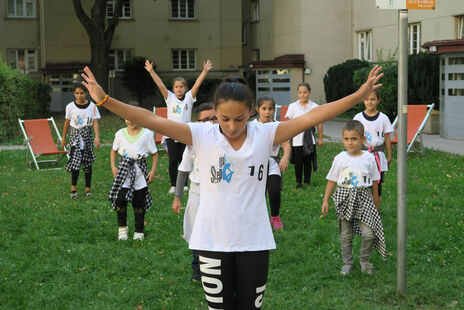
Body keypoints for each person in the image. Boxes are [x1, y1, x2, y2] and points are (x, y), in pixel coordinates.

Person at [81, 64, 383, 309]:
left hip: (254, 241)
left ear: (251, 111)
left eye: (240, 118)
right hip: (212, 242)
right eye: (225, 118)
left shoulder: (265, 134)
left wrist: (357, 96)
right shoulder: (202, 134)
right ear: (215, 111)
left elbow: (316, 115)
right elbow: (149, 118)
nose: (232, 125)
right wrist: (105, 100)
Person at [321, 120, 386, 276]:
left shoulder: (369, 158)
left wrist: (376, 200)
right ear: (343, 139)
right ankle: (347, 262)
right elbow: (332, 179)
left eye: (354, 139)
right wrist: (325, 200)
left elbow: (375, 180)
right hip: (345, 198)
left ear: (362, 139)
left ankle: (364, 260)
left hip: (364, 199)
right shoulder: (340, 158)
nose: (350, 143)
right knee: (346, 234)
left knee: (369, 234)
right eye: (347, 139)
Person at [144, 59, 213, 194]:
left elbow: (197, 85)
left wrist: (204, 71)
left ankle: (184, 184)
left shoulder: (189, 97)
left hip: (186, 133)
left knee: (185, 158)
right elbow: (160, 85)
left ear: (185, 88)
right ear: (173, 88)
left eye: (181, 86)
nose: (179, 89)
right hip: (171, 133)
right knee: (173, 160)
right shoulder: (169, 97)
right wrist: (151, 71)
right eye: (176, 87)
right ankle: (173, 185)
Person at [171, 103, 218, 281]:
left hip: (218, 194)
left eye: (214, 118)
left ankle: (217, 266)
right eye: (206, 119)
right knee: (197, 231)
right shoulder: (193, 144)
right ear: (197, 123)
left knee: (216, 230)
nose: (211, 123)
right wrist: (177, 198)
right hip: (197, 193)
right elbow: (183, 170)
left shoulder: (227, 142)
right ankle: (198, 269)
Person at [109, 119, 158, 241]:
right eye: (127, 118)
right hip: (124, 171)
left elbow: (154, 153)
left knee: (139, 200)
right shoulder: (119, 134)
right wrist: (113, 166)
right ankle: (122, 227)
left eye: (132, 118)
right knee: (120, 199)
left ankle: (139, 230)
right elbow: (114, 151)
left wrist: (152, 171)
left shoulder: (147, 134)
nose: (129, 121)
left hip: (139, 173)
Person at [254, 96, 291, 231]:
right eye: (264, 108)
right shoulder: (252, 126)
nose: (267, 112)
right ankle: (258, 218)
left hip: (272, 162)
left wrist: (285, 158)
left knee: (274, 191)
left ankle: (275, 216)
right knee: (258, 192)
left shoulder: (277, 126)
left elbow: (286, 145)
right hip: (255, 164)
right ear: (258, 109)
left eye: (270, 109)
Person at [61, 83, 100, 199]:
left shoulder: (92, 106)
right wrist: (63, 138)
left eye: (82, 93)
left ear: (86, 93)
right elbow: (67, 123)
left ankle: (88, 188)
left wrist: (97, 136)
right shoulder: (70, 107)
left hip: (87, 137)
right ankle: (73, 188)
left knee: (87, 163)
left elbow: (95, 122)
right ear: (74, 94)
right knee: (75, 163)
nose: (79, 96)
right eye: (77, 93)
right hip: (75, 137)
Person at [353, 89, 393, 199]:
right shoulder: (358, 118)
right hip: (362, 154)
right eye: (366, 99)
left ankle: (376, 208)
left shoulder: (383, 118)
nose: (369, 102)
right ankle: (363, 207)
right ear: (363, 100)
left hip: (378, 156)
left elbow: (387, 138)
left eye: (373, 99)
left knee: (377, 183)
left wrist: (389, 156)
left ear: (378, 100)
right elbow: (354, 137)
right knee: (361, 181)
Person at [285, 83, 323, 189]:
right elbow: (288, 123)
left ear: (309, 92)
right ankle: (298, 182)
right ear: (298, 93)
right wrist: (288, 138)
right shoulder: (293, 106)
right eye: (300, 92)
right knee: (298, 161)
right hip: (297, 139)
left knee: (307, 162)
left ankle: (307, 181)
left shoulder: (315, 107)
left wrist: (320, 138)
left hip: (309, 139)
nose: (302, 95)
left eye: (305, 92)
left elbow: (319, 123)